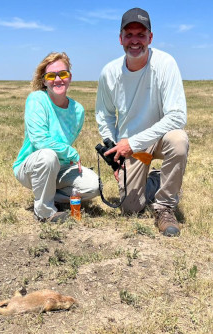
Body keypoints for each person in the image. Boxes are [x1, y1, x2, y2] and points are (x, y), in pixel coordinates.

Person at [95, 8, 189, 236]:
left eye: (141, 35)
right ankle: (157, 180)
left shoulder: (166, 63)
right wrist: (114, 155)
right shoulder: (109, 72)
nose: (134, 41)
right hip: (130, 147)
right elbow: (104, 115)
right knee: (130, 209)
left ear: (150, 38)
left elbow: (177, 116)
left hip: (159, 139)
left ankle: (165, 206)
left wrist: (134, 143)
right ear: (120, 39)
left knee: (179, 139)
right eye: (129, 35)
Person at [13, 52, 99, 222]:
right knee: (48, 155)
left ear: (70, 77)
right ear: (44, 80)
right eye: (51, 75)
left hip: (60, 166)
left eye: (63, 74)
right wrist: (71, 153)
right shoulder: (36, 99)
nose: (58, 79)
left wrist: (66, 156)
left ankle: (48, 195)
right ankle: (44, 211)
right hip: (32, 166)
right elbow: (39, 141)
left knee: (93, 186)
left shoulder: (78, 110)